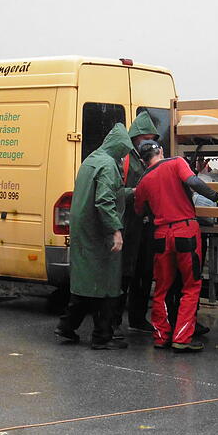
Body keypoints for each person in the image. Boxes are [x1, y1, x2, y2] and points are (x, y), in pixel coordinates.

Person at [134, 140, 218, 353]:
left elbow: (139, 210)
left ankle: (161, 337)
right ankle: (181, 337)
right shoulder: (176, 162)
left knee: (162, 288)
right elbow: (194, 182)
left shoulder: (143, 181)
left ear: (143, 160)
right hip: (185, 230)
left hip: (160, 235)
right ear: (160, 150)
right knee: (191, 286)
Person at [54, 123, 133, 350]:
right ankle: (102, 337)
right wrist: (115, 230)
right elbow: (104, 201)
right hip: (100, 236)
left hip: (83, 234)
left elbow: (103, 194)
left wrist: (132, 192)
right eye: (123, 153)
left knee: (86, 285)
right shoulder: (108, 166)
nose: (123, 158)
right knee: (109, 287)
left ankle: (66, 326)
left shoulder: (90, 160)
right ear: (119, 148)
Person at [113, 111, 160, 336]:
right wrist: (135, 192)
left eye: (152, 138)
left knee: (144, 271)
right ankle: (113, 320)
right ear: (135, 138)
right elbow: (113, 192)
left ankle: (138, 318)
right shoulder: (124, 158)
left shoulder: (152, 158)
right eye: (145, 138)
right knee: (124, 272)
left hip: (146, 225)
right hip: (128, 224)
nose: (148, 142)